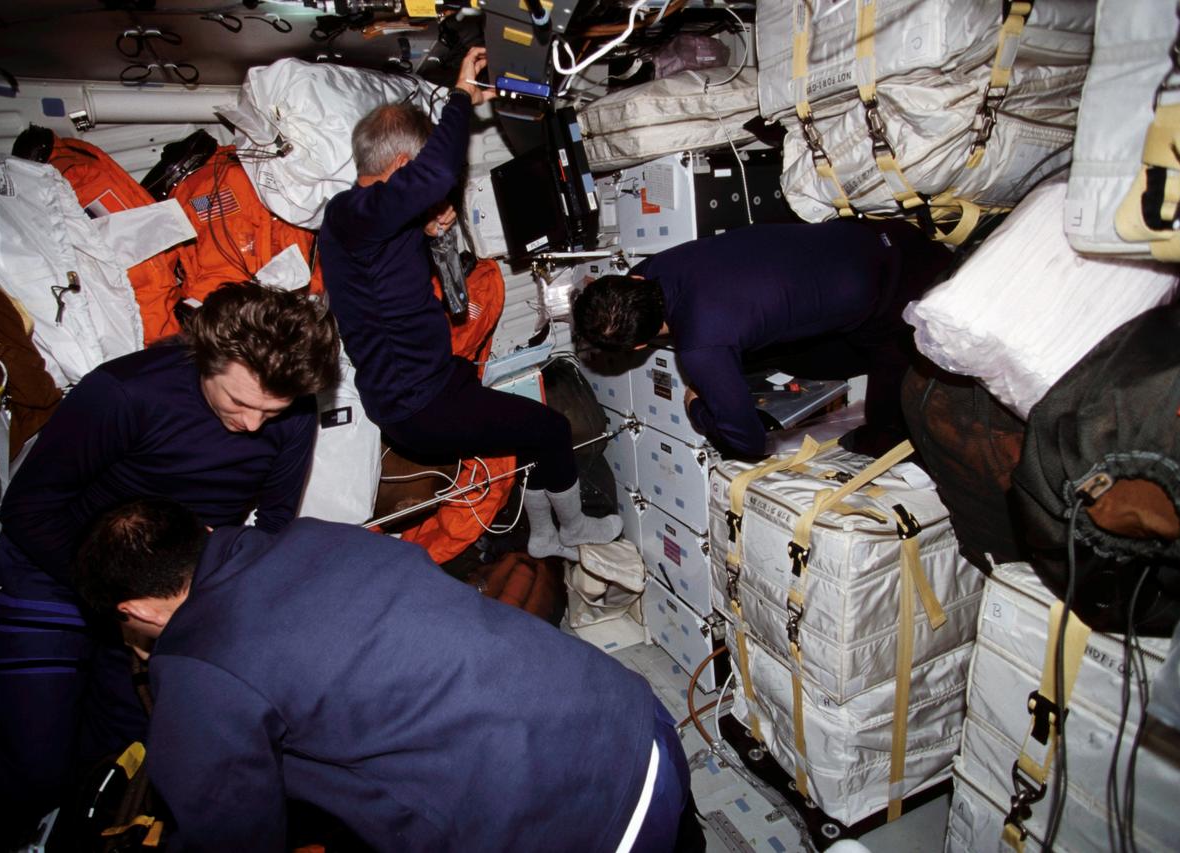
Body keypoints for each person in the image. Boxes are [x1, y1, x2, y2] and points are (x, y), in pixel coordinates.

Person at [73, 497, 701, 852]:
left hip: (584, 820)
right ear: (204, 532)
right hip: (632, 721)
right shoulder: (316, 536)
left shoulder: (195, 669)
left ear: (133, 612)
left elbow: (233, 840)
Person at [0, 281, 340, 825]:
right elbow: (28, 509)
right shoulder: (124, 392)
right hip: (57, 573)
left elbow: (271, 525)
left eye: (270, 412)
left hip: (168, 599)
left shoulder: (290, 413)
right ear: (206, 355)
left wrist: (197, 607)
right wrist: (119, 600)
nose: (251, 426)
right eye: (241, 402)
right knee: (35, 770)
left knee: (128, 763)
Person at [319, 47, 620, 561]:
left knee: (524, 431)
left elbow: (386, 282)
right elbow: (434, 177)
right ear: (399, 167)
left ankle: (545, 537)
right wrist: (459, 97)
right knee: (550, 429)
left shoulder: (350, 221)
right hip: (420, 406)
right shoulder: (359, 217)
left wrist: (425, 231)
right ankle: (572, 531)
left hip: (422, 387)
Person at [572, 219, 954, 458]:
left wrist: (697, 409)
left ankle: (889, 436)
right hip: (883, 232)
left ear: (640, 345)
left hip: (903, 301)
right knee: (781, 352)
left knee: (879, 431)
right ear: (633, 279)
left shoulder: (702, 349)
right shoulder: (661, 264)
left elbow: (749, 445)